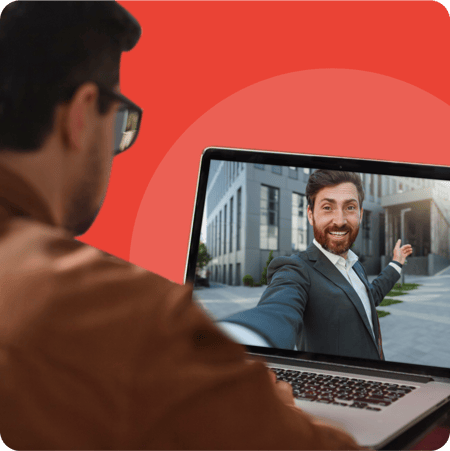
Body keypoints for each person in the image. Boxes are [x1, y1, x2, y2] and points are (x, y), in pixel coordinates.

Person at [0, 2, 365, 450]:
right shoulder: (119, 314)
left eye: (351, 207)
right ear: (82, 113)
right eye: (119, 123)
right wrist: (265, 408)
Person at [221, 170, 412, 360]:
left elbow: (371, 296)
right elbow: (278, 308)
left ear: (360, 215)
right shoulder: (297, 269)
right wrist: (240, 342)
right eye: (328, 207)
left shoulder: (355, 265)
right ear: (310, 215)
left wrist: (396, 263)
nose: (340, 221)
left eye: (350, 207)